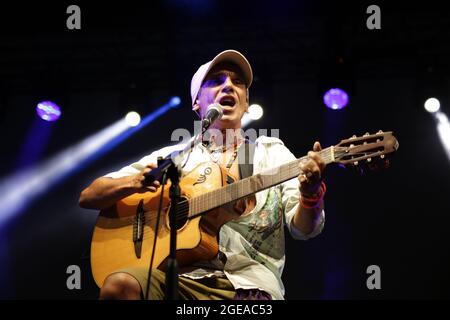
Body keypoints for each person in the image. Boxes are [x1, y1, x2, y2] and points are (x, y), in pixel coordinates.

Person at [79, 49, 327, 300]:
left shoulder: (270, 153)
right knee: (119, 286)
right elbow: (89, 196)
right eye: (217, 81)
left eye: (237, 82)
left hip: (250, 287)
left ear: (246, 102)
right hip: (179, 281)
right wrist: (134, 183)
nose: (228, 86)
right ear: (197, 102)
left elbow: (305, 229)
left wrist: (311, 195)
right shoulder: (176, 157)